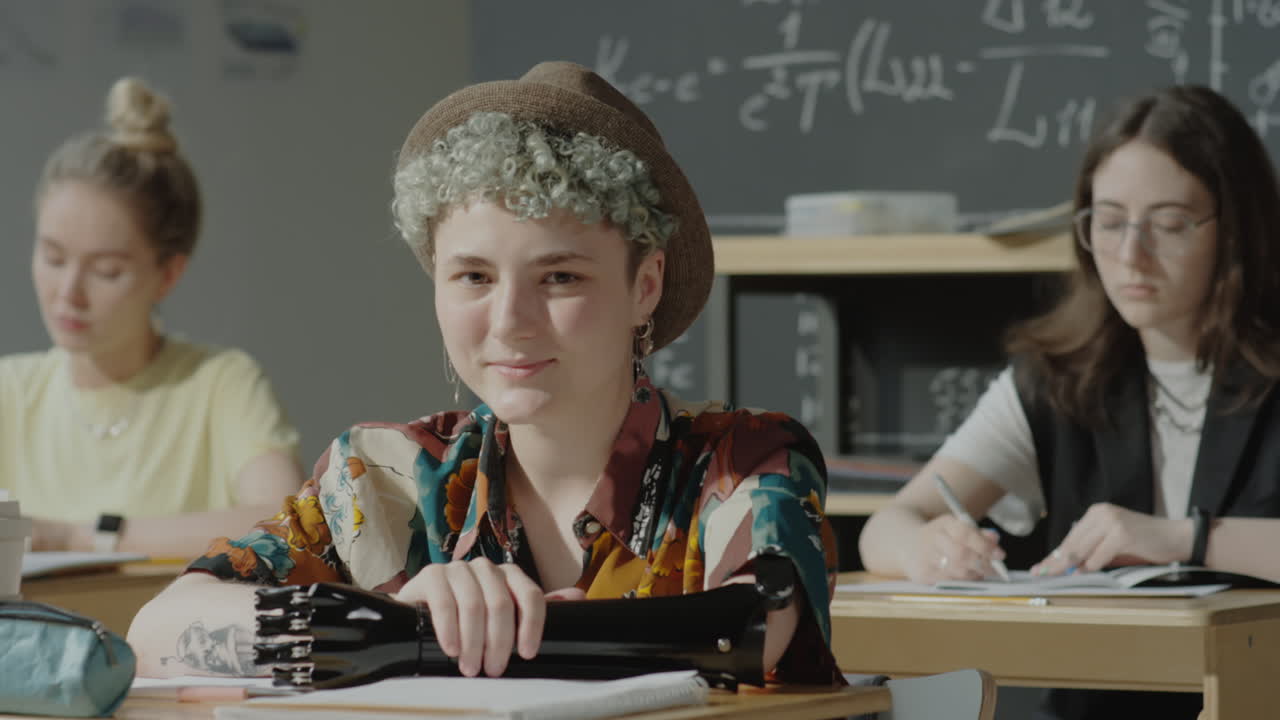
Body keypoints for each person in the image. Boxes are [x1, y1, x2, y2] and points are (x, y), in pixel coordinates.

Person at [129, 61, 842, 685]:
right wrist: (402, 616)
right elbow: (162, 628)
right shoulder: (382, 478)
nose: (509, 321)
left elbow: (750, 627)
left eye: (559, 276)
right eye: (473, 276)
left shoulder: (743, 467)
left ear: (645, 286)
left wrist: (407, 642)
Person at [859, 84, 1280, 719]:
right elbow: (885, 527)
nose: (1131, 255)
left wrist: (1185, 539)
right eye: (1109, 223)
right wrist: (930, 548)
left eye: (1168, 225)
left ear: (1236, 230)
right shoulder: (1055, 378)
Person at [0, 77, 305, 557]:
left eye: (106, 271)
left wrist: (81, 537)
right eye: (53, 258)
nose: (68, 294)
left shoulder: (219, 384)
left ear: (168, 274)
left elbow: (286, 526)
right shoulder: (11, 393)